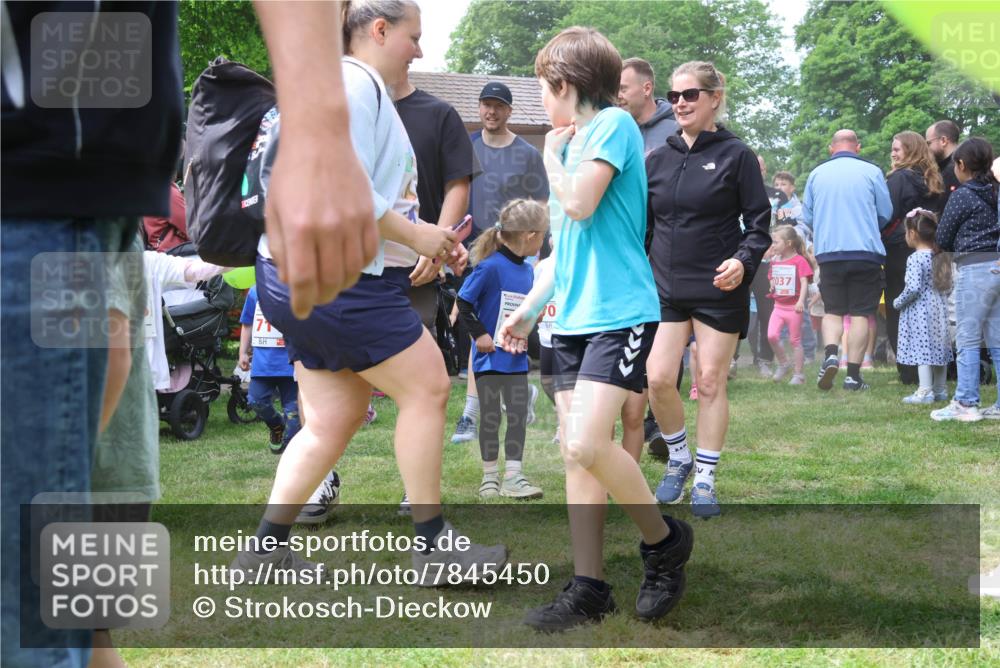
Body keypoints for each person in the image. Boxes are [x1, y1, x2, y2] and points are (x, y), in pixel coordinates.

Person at [2, 2, 377, 665]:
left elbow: (114, 345)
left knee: (57, 628)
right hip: (65, 201)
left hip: (52, 180)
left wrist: (316, 130)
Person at [232, 0, 505, 583]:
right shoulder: (354, 85)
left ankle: (264, 550)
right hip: (342, 280)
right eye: (414, 36)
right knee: (429, 386)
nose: (421, 50)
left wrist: (423, 244)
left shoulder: (336, 84)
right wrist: (423, 235)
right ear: (379, 30)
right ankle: (434, 550)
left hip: (295, 272)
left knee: (334, 415)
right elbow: (341, 189)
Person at [498, 26, 693, 632]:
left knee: (586, 444)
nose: (541, 101)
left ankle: (664, 543)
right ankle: (589, 589)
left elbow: (580, 204)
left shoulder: (610, 126)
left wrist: (551, 155)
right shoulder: (580, 139)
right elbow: (568, 246)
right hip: (574, 318)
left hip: (621, 315)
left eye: (544, 88)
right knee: (575, 455)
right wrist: (531, 310)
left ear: (569, 83)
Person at [644, 61, 771, 515]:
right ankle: (678, 459)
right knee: (658, 378)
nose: (680, 103)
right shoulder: (657, 158)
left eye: (690, 94)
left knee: (710, 380)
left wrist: (742, 260)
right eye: (674, 96)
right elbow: (645, 225)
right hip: (664, 286)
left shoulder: (737, 155)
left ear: (715, 97)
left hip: (718, 284)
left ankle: (705, 478)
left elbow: (759, 226)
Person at [452, 80, 549, 443]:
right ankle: (471, 414)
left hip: (513, 258)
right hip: (476, 255)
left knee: (508, 333)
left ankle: (514, 396)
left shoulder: (526, 154)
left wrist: (535, 254)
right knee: (481, 332)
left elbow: (540, 205)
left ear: (509, 111)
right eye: (485, 105)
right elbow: (456, 194)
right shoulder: (468, 147)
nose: (490, 111)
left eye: (498, 106)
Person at [458, 199, 548, 500]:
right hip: (489, 361)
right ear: (529, 236)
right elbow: (464, 302)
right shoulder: (490, 267)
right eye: (543, 234)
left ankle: (514, 476)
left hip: (516, 360)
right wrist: (480, 335)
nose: (545, 240)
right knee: (491, 417)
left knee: (519, 416)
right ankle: (489, 477)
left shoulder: (528, 271)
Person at [802, 129, 893, 391]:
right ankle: (853, 375)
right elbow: (886, 212)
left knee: (833, 310)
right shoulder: (872, 171)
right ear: (858, 147)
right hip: (865, 252)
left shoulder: (817, 174)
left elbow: (808, 217)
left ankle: (831, 353)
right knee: (862, 313)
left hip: (829, 252)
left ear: (831, 149)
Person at [931, 137, 1000, 422]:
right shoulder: (997, 192)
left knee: (968, 337)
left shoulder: (962, 194)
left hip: (974, 269)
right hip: (998, 266)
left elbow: (943, 237)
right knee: (997, 340)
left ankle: (965, 402)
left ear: (960, 165)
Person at [885, 130, 944, 385]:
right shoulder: (933, 180)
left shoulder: (899, 179)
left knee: (899, 306)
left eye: (898, 149)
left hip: (901, 249)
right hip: (932, 249)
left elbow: (887, 214)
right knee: (932, 308)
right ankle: (934, 367)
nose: (893, 153)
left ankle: (908, 370)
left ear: (911, 150)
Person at [892, 209, 953, 404]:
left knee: (923, 351)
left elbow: (913, 288)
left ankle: (925, 391)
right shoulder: (940, 256)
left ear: (912, 234)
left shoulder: (915, 258)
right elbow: (948, 285)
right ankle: (940, 390)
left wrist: (897, 302)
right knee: (939, 349)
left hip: (921, 312)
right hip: (939, 309)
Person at [238, 286, 301, 454]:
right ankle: (277, 426)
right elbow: (247, 323)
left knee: (294, 415)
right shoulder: (255, 291)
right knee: (256, 401)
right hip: (263, 364)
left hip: (292, 364)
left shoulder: (299, 288)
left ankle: (292, 455)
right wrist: (243, 352)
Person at [749, 155, 788, 377]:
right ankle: (731, 359)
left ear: (765, 170)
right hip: (741, 261)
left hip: (770, 263)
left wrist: (775, 247)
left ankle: (764, 358)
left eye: (760, 167)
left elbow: (789, 227)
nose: (756, 171)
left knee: (768, 313)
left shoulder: (778, 195)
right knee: (736, 311)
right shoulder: (731, 190)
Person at [766, 226, 814, 385]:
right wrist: (772, 284)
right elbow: (771, 276)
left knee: (795, 340)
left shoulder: (799, 261)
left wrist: (801, 301)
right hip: (778, 306)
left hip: (794, 308)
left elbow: (804, 282)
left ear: (788, 243)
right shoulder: (775, 260)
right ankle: (783, 363)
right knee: (771, 335)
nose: (772, 245)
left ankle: (799, 375)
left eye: (775, 242)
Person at [618, 57, 679, 155]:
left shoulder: (679, 126)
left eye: (623, 89)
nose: (617, 96)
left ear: (647, 89)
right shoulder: (616, 129)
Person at [925, 120, 962, 208]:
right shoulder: (964, 163)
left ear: (943, 141)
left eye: (928, 143)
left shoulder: (953, 170)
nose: (927, 148)